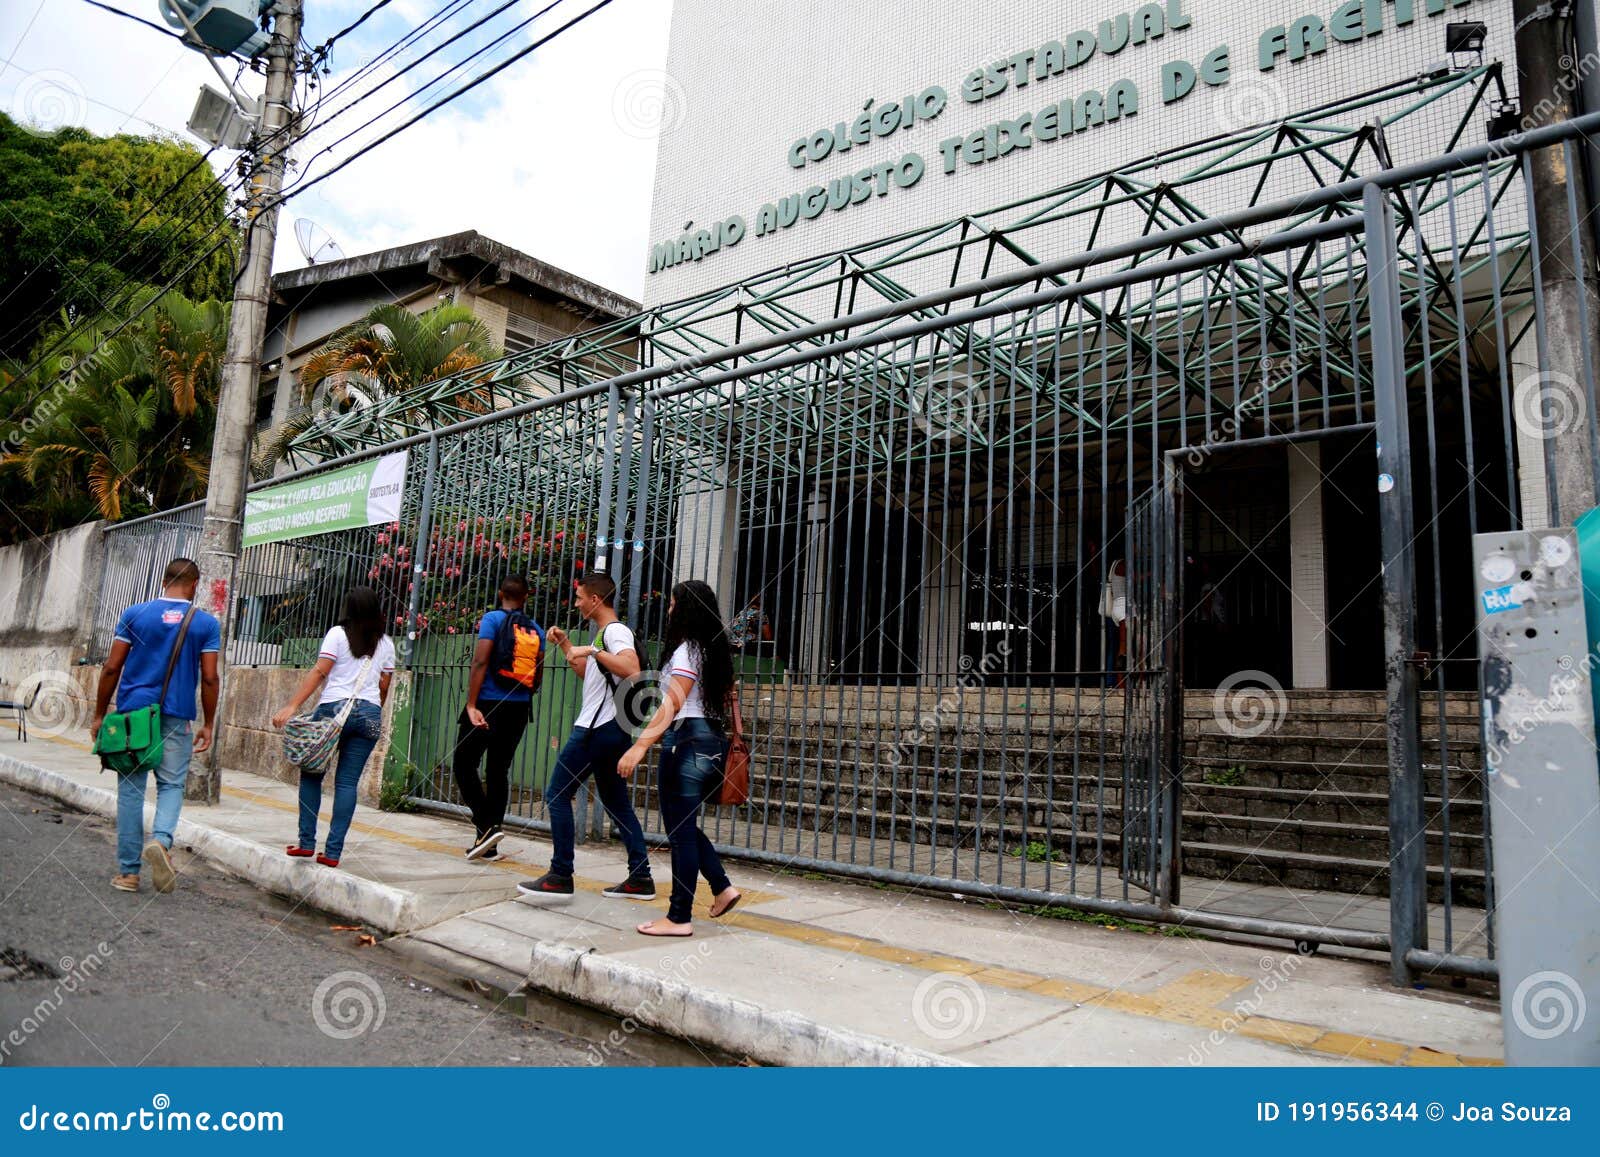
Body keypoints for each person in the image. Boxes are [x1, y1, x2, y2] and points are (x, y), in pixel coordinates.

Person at [517, 573, 655, 900]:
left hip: (595, 730)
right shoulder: (601, 636)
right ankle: (641, 878)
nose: (577, 603)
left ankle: (560, 874)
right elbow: (591, 678)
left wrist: (592, 652)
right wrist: (567, 646)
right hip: (610, 730)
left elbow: (631, 669)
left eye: (580, 597)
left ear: (595, 600)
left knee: (556, 793)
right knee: (617, 804)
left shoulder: (615, 631)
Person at [618, 580, 741, 937]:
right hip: (708, 739)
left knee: (681, 835)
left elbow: (672, 703)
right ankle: (721, 887)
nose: (669, 610)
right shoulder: (712, 651)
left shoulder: (688, 650)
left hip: (687, 740)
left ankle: (678, 917)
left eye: (673, 604)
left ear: (685, 608)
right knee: (682, 827)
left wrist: (639, 745)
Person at [92, 558, 221, 894]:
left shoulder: (135, 614)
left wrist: (98, 714)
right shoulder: (204, 624)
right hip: (176, 715)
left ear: (164, 581)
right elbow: (209, 677)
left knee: (131, 791)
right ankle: (161, 841)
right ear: (194, 585)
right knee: (172, 785)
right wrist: (208, 722)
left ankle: (129, 873)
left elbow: (111, 667)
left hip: (134, 716)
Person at [270, 587, 395, 868]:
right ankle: (333, 853)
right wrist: (372, 709)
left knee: (312, 774)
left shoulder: (338, 634)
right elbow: (384, 685)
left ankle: (306, 843)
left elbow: (320, 671)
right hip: (370, 714)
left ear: (347, 608)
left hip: (333, 711)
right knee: (347, 783)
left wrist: (292, 706)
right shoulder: (386, 643)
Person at [453, 575, 544, 860]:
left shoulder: (491, 619)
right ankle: (489, 844)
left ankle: (486, 826)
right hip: (518, 709)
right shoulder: (536, 629)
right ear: (526, 597)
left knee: (464, 763)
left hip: (487, 705)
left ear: (500, 592)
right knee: (497, 772)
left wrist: (471, 704)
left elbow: (480, 661)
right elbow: (537, 675)